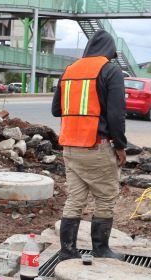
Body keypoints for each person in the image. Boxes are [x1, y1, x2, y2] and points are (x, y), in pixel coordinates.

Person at [51, 29, 129, 262]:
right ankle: (101, 249)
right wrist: (121, 146)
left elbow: (56, 110)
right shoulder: (110, 70)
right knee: (106, 197)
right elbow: (117, 115)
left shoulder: (69, 70)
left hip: (70, 147)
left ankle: (67, 250)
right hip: (97, 146)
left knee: (75, 199)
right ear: (109, 51)